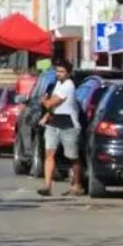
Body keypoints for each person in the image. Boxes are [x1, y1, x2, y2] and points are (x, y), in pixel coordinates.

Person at [37, 60, 83, 197]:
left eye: (62, 72)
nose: (58, 74)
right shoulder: (56, 84)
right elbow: (52, 106)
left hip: (69, 124)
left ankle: (77, 184)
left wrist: (44, 101)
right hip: (54, 123)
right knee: (49, 154)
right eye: (57, 71)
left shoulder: (69, 85)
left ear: (68, 73)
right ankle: (47, 186)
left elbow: (51, 102)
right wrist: (46, 116)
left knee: (73, 157)